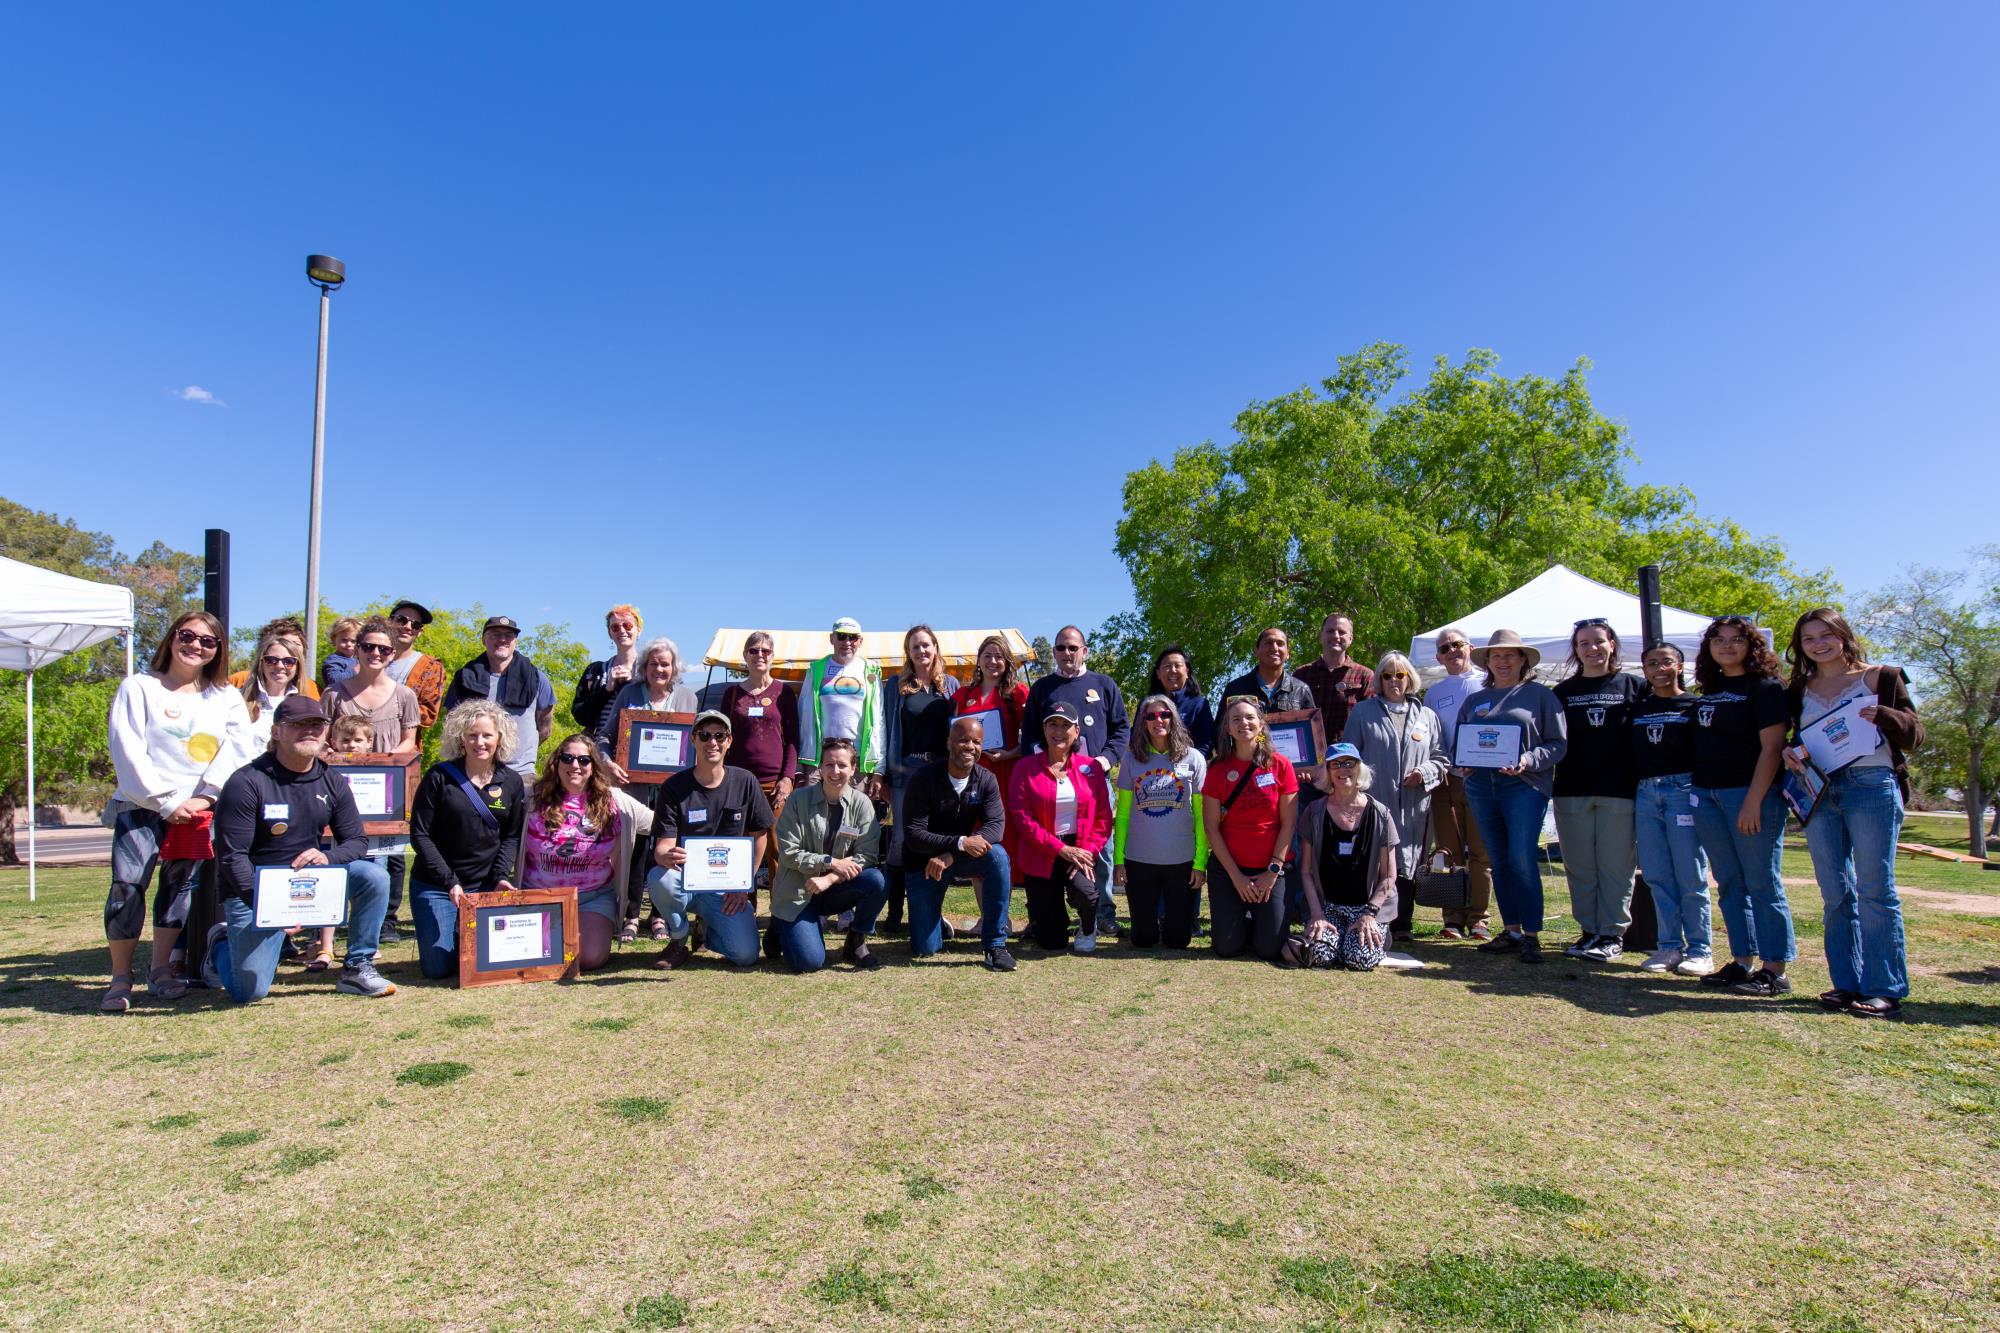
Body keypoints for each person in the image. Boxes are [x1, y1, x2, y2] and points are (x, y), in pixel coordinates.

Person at [100, 611, 252, 1012]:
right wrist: (165, 800)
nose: (196, 646)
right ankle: (120, 977)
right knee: (127, 887)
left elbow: (236, 750)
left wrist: (205, 798)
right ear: (171, 638)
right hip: (142, 806)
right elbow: (127, 747)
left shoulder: (225, 696)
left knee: (178, 888)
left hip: (198, 810)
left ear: (218, 650)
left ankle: (160, 967)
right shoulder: (140, 687)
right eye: (187, 636)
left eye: (208, 641)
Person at [1784, 608, 1926, 1017]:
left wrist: (1886, 715)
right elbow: (1801, 737)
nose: (1818, 644)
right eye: (1809, 639)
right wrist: (1794, 752)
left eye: (1825, 635)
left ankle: (1884, 987)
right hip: (1823, 792)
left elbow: (1915, 734)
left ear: (1843, 635)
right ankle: (1846, 983)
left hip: (1872, 786)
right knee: (1835, 893)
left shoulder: (1882, 677)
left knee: (1876, 890)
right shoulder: (1799, 687)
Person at [206, 696, 395, 1001]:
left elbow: (357, 841)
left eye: (316, 725)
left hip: (309, 882)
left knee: (373, 877)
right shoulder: (246, 782)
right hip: (254, 889)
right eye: (298, 725)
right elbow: (232, 857)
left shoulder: (331, 780)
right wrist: (267, 906)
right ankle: (220, 942)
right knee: (249, 992)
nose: (309, 731)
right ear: (277, 732)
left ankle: (358, 966)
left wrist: (328, 856)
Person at [1688, 616, 1794, 997]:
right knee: (1730, 883)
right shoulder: (1710, 690)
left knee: (1762, 882)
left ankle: (1775, 969)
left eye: (1736, 639)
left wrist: (1753, 801)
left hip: (1749, 795)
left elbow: (1772, 749)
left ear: (1752, 645)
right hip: (1707, 796)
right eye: (1719, 639)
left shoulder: (1765, 688)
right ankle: (1742, 962)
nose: (1727, 646)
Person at [1454, 629, 1567, 965]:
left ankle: (1532, 934)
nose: (1502, 661)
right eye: (1496, 656)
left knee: (1521, 857)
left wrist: (1527, 760)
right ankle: (1513, 930)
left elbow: (1558, 744)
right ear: (1487, 662)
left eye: (1510, 655)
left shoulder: (1540, 696)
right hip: (1480, 786)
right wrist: (1464, 763)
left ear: (1522, 660)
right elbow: (1461, 742)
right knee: (1498, 860)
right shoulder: (1475, 700)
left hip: (1524, 786)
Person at [407, 700, 528, 980]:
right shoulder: (439, 777)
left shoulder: (511, 781)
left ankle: (465, 934)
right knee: (439, 968)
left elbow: (511, 836)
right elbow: (420, 835)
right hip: (437, 885)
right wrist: (449, 881)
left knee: (488, 960)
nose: (479, 742)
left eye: (487, 735)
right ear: (461, 737)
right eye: (472, 735)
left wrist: (499, 876)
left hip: (483, 885)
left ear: (500, 737)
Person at [646, 710, 777, 970]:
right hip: (686, 880)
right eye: (704, 735)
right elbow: (662, 846)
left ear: (729, 741)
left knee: (745, 955)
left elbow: (760, 834)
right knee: (659, 878)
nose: (712, 742)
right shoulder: (674, 787)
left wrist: (744, 884)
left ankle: (707, 931)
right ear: (693, 739)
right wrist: (666, 856)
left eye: (719, 735)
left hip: (726, 888)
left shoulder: (745, 781)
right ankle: (679, 937)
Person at [1021, 625, 1129, 936]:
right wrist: (1044, 766)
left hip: (1093, 783)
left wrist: (1103, 761)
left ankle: (1104, 913)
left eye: (1072, 648)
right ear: (1053, 652)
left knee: (1101, 849)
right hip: (1049, 783)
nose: (1066, 653)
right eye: (1060, 648)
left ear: (1085, 651)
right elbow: (1030, 734)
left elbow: (1121, 730)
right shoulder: (1042, 688)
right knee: (1045, 846)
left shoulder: (1104, 685)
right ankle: (1042, 914)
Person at [1551, 618, 1645, 962]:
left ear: (1612, 645)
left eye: (1598, 641)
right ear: (1576, 650)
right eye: (1583, 643)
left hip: (1619, 791)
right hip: (1571, 789)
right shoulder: (1561, 693)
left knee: (1616, 866)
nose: (1592, 649)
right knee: (1579, 866)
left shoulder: (1634, 686)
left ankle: (1612, 934)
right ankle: (1589, 931)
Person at [522, 733, 655, 974]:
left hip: (591, 897)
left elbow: (660, 822)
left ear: (594, 766)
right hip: (539, 896)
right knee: (528, 952)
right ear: (556, 762)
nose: (575, 765)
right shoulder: (531, 797)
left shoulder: (613, 801)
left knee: (590, 958)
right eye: (567, 758)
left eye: (583, 760)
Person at [1342, 652, 1449, 941]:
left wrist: (1424, 773)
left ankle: (1402, 925)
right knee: (1374, 859)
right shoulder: (1364, 712)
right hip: (1375, 800)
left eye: (1399, 675)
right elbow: (1348, 755)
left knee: (1408, 860)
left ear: (1410, 678)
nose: (1393, 681)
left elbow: (1441, 757)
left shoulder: (1427, 716)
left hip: (1415, 804)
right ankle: (1369, 918)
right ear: (1379, 679)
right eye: (1387, 675)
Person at [769, 738, 890, 972]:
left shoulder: (862, 803)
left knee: (877, 879)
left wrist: (830, 877)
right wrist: (830, 861)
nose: (835, 771)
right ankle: (780, 923)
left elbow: (867, 855)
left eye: (842, 765)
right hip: (799, 891)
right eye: (829, 765)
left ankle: (856, 940)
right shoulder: (797, 800)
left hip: (833, 889)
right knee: (810, 962)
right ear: (820, 768)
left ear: (853, 768)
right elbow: (788, 853)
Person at [1629, 643, 1713, 976]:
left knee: (1689, 874)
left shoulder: (1695, 705)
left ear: (1679, 666)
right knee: (1656, 875)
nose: (1659, 669)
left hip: (1684, 790)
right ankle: (1668, 948)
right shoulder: (1638, 709)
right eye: (1651, 663)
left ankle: (1700, 950)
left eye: (1666, 662)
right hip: (1646, 792)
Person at [903, 715, 1014, 969]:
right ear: (949, 743)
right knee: (925, 949)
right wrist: (961, 843)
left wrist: (953, 853)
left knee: (997, 855)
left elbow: (996, 828)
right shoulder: (923, 778)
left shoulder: (986, 779)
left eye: (976, 742)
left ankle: (995, 944)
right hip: (924, 863)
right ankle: (935, 921)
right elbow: (913, 834)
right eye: (963, 740)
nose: (970, 747)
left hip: (955, 859)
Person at [1201, 696, 1299, 962]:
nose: (1243, 723)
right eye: (1236, 719)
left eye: (1249, 717)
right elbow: (1211, 828)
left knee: (1268, 949)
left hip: (1272, 870)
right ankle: (1242, 917)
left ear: (1260, 724)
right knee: (1227, 948)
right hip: (1230, 871)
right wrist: (1237, 877)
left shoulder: (1281, 765)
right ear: (1228, 729)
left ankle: (1260, 920)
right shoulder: (1218, 770)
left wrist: (1272, 871)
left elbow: (1289, 824)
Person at [1008, 703, 1112, 952]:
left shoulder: (1092, 768)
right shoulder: (1025, 767)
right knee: (1051, 942)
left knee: (1087, 895)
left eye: (1066, 725)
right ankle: (1053, 920)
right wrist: (1061, 849)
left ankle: (1088, 928)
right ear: (1043, 729)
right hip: (1041, 851)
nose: (1059, 731)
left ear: (1077, 731)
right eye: (1053, 724)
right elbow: (1022, 818)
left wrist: (1086, 852)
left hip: (1080, 849)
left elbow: (1103, 818)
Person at [882, 624, 961, 934]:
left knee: (934, 841)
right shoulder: (896, 686)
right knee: (902, 839)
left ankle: (929, 912)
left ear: (936, 648)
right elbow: (885, 729)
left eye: (926, 645)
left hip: (941, 773)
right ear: (908, 652)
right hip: (906, 772)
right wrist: (885, 774)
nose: (922, 651)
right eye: (915, 646)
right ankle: (894, 912)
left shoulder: (951, 685)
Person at [1112, 694, 1208, 949]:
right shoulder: (1131, 759)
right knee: (1143, 939)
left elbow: (1201, 815)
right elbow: (1122, 815)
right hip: (1139, 860)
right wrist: (1119, 860)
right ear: (1142, 722)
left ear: (1174, 718)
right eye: (1151, 716)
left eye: (1165, 714)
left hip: (1182, 860)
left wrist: (1200, 862)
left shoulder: (1194, 758)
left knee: (1178, 941)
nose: (1158, 720)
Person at [1292, 743, 1399, 971]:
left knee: (1360, 959)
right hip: (1328, 906)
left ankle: (1379, 932)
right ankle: (1339, 940)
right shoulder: (1314, 811)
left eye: (1349, 763)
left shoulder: (1380, 813)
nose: (1343, 769)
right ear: (1328, 772)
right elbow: (1306, 871)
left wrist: (1370, 913)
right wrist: (1316, 914)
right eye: (1336, 764)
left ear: (1359, 768)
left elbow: (1389, 875)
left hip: (1367, 907)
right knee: (1319, 956)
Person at [314, 713, 407, 971]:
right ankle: (326, 946)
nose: (351, 745)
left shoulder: (383, 770)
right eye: (345, 740)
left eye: (357, 740)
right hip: (332, 839)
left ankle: (367, 944)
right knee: (330, 890)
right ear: (333, 741)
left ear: (370, 742)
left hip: (372, 838)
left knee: (375, 883)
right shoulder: (322, 770)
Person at [380, 598, 446, 943]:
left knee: (392, 840)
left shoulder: (428, 666)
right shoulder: (369, 654)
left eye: (415, 625)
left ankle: (388, 918)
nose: (407, 627)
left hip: (400, 761)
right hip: (354, 759)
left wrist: (380, 706)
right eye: (401, 620)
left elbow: (428, 715)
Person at [1424, 627, 1493, 940]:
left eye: (1456, 645)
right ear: (1438, 656)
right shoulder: (1434, 693)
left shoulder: (1488, 682)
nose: (1451, 651)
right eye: (1444, 648)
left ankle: (1479, 918)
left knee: (1481, 853)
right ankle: (1452, 918)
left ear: (1470, 647)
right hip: (1444, 780)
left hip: (1481, 779)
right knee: (1448, 852)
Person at [955, 633, 1031, 887]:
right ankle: (986, 918)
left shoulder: (1017, 693)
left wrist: (1011, 753)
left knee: (1003, 840)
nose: (993, 661)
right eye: (987, 656)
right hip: (970, 777)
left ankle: (1001, 916)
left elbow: (1032, 739)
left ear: (1007, 662)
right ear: (978, 661)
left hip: (1004, 775)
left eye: (999, 656)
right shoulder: (965, 694)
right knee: (976, 838)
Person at [443, 616, 555, 780]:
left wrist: (518, 751)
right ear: (484, 639)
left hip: (520, 774)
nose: (502, 639)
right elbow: (452, 725)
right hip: (470, 774)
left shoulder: (536, 677)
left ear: (515, 641)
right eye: (495, 634)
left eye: (508, 635)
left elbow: (545, 728)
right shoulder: (464, 677)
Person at [595, 636, 700, 782]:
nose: (659, 669)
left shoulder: (688, 698)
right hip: (632, 786)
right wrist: (607, 763)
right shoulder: (629, 693)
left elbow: (695, 744)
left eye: (665, 664)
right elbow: (604, 736)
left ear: (674, 668)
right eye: (653, 664)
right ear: (645, 667)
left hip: (674, 788)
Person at [798, 617, 885, 783]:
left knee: (855, 808)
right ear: (832, 638)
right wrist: (799, 766)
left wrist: (880, 768)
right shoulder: (816, 669)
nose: (847, 642)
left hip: (857, 759)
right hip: (819, 759)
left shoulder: (871, 669)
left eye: (853, 637)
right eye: (841, 636)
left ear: (860, 641)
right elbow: (802, 717)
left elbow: (879, 721)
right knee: (814, 809)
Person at [321, 617, 421, 757]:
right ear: (357, 650)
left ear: (392, 654)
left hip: (389, 776)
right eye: (368, 647)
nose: (375, 653)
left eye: (384, 649)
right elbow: (321, 739)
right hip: (341, 776)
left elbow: (409, 740)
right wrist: (328, 752)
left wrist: (387, 759)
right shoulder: (333, 693)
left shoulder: (405, 695)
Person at [1295, 613, 1375, 745]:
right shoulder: (1301, 674)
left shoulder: (1365, 676)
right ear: (1321, 636)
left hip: (1348, 756)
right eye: (1330, 631)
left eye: (1342, 632)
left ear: (1350, 638)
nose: (1336, 636)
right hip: (1311, 754)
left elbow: (1370, 722)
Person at [238, 622, 318, 754]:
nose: (280, 666)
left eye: (289, 661)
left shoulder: (308, 706)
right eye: (271, 660)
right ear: (261, 663)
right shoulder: (237, 700)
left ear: (298, 666)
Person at [572, 604, 643, 735]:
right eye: (615, 627)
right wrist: (607, 690)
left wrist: (629, 686)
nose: (622, 630)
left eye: (627, 625)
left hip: (636, 745)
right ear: (610, 633)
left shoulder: (650, 671)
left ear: (638, 630)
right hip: (598, 749)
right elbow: (581, 716)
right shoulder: (594, 671)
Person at [1145, 644, 1215, 754]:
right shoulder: (1146, 705)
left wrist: (1189, 763)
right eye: (1167, 666)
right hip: (1151, 768)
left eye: (1178, 666)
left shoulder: (1200, 705)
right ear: (1158, 673)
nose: (1173, 670)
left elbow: (1206, 743)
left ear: (1187, 671)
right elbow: (1137, 738)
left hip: (1187, 767)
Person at [321, 617, 361, 691]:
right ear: (334, 639)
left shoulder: (356, 660)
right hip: (337, 698)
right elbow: (334, 680)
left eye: (353, 641)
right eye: (344, 640)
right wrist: (355, 670)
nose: (349, 644)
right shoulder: (334, 660)